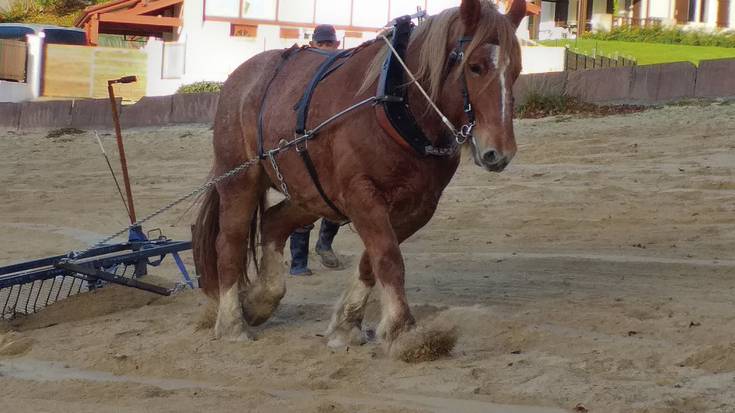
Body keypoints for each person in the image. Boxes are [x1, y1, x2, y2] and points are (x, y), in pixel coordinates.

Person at [289, 24, 342, 276]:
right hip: (305, 142)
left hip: (332, 143)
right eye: (321, 45)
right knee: (303, 204)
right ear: (313, 45)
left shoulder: (342, 67)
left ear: (336, 45)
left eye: (329, 45)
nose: (326, 49)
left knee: (339, 201)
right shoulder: (303, 72)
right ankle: (298, 263)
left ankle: (324, 244)